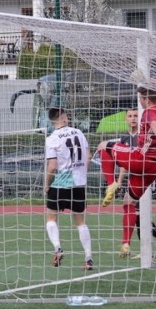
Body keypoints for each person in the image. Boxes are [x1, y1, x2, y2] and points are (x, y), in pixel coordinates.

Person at [96, 88, 156, 259]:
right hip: (154, 167)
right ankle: (126, 244)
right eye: (130, 116)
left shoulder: (148, 113)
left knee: (103, 146)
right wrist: (148, 81)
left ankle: (110, 184)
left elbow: (155, 126)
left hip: (141, 160)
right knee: (128, 201)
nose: (139, 101)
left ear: (147, 99)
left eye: (141, 98)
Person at [43, 107, 94, 272]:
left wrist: (46, 184)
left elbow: (52, 166)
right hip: (78, 184)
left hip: (60, 184)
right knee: (80, 222)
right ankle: (88, 258)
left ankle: (57, 248)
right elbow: (88, 157)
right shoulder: (79, 133)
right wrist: (81, 174)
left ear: (52, 121)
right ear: (64, 118)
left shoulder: (52, 139)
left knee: (51, 218)